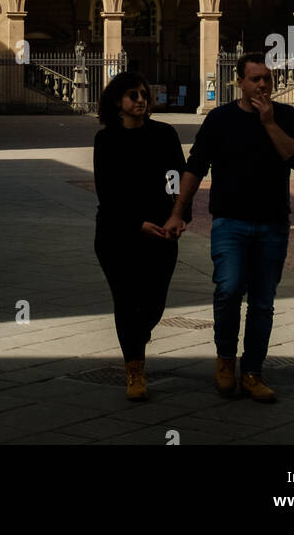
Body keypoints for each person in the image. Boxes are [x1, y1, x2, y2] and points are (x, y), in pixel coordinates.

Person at [165, 51, 294, 402]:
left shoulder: (286, 116)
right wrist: (178, 211)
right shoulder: (220, 119)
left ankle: (253, 372)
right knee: (229, 289)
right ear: (239, 82)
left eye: (267, 78)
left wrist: (270, 123)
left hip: (273, 224)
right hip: (230, 222)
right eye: (255, 79)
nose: (263, 84)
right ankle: (225, 361)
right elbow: (195, 166)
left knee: (263, 302)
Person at [93, 71, 188, 401]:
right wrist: (137, 224)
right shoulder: (106, 140)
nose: (141, 100)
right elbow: (108, 192)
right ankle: (135, 369)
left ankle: (136, 336)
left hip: (161, 231)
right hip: (117, 235)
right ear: (117, 101)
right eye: (133, 95)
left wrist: (178, 215)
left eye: (144, 94)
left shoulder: (164, 135)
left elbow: (176, 176)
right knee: (126, 300)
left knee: (153, 303)